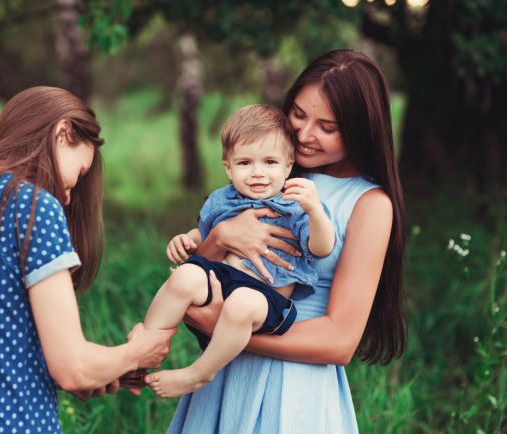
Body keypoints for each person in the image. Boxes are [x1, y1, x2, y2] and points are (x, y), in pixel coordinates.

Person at [147, 49, 407, 433]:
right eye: (298, 114)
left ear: (359, 128)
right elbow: (203, 271)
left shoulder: (369, 203)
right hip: (225, 371)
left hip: (292, 381)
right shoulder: (268, 168)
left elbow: (340, 342)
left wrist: (226, 330)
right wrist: (220, 237)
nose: (304, 134)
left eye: (328, 127)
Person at [0, 86, 175, 433]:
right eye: (78, 176)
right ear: (63, 132)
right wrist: (138, 353)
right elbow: (72, 367)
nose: (68, 197)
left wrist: (103, 368)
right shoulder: (33, 205)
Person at [143, 104, 334, 398]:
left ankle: (199, 373)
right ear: (228, 167)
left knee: (242, 303)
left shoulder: (297, 204)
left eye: (270, 162)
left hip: (265, 296)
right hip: (221, 278)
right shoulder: (223, 200)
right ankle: (145, 345)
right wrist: (187, 239)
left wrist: (315, 212)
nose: (257, 173)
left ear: (288, 165)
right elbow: (205, 233)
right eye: (245, 163)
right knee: (185, 276)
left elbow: (321, 248)